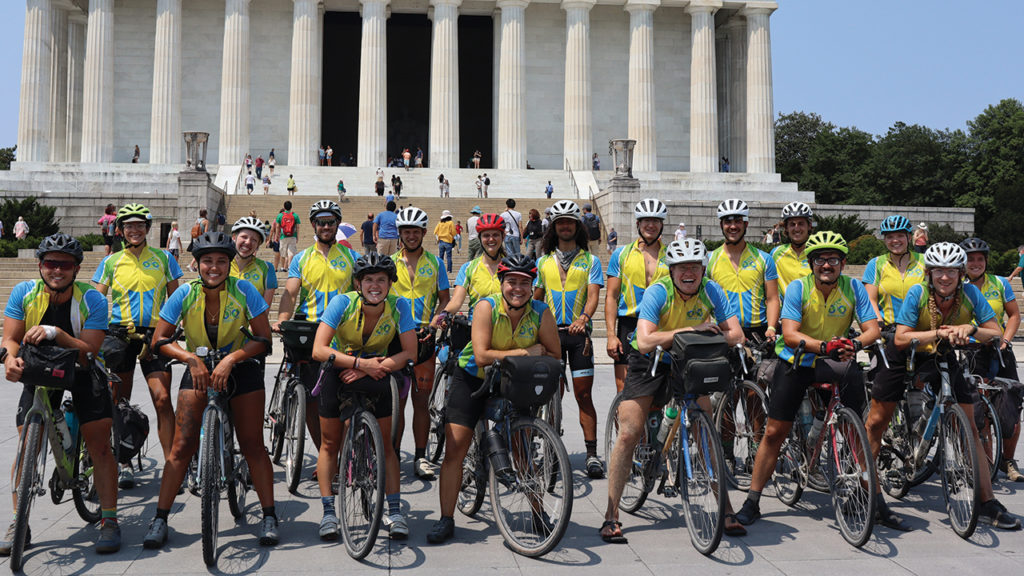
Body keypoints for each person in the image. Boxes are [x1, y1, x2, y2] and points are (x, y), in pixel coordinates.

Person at [864, 242, 1022, 531]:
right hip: (906, 352)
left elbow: (995, 332)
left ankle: (987, 503)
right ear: (929, 273)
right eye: (939, 271)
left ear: (961, 273)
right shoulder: (918, 293)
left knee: (971, 427)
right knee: (876, 421)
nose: (945, 277)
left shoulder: (971, 293)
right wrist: (939, 332)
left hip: (942, 351)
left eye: (951, 271)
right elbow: (900, 338)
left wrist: (971, 329)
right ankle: (865, 488)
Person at [602, 239, 745, 543]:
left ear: (703, 268)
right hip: (651, 360)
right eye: (682, 267)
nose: (688, 272)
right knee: (629, 432)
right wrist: (691, 331)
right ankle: (611, 514)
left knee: (706, 433)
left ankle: (727, 507)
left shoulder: (711, 289)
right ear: (672, 269)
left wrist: (709, 334)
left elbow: (736, 333)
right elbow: (643, 341)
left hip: (689, 360)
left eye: (694, 266)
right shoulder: (659, 290)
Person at [733, 232, 878, 527]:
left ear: (842, 263)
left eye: (833, 259)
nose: (827, 265)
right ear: (811, 263)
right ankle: (753, 500)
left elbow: (872, 328)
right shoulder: (799, 287)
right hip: (798, 362)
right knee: (774, 432)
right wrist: (824, 346)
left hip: (837, 360)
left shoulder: (853, 287)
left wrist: (857, 344)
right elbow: (789, 334)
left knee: (857, 432)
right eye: (821, 259)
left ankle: (872, 496)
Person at [143, 231, 277, 548]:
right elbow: (159, 341)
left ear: (230, 264)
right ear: (197, 264)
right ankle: (159, 518)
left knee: (253, 445)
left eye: (220, 261)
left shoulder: (244, 290)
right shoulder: (185, 293)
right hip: (199, 367)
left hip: (240, 367)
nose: (214, 267)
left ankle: (269, 515)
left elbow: (264, 339)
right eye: (207, 261)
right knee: (181, 446)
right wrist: (190, 358)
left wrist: (232, 358)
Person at [427, 255, 560, 543]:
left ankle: (539, 514)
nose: (518, 288)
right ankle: (446, 518)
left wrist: (531, 356)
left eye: (525, 283)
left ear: (532, 285)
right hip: (474, 377)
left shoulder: (540, 311)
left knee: (523, 448)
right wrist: (526, 353)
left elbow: (554, 354)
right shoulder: (485, 307)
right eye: (511, 281)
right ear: (501, 283)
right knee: (456, 448)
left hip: (513, 381)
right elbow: (481, 355)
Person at [2, 234, 120, 554]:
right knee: (27, 445)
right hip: (39, 371)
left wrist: (57, 334)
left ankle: (109, 520)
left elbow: (91, 351)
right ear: (40, 266)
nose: (57, 270)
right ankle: (19, 522)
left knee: (99, 446)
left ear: (77, 269)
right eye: (50, 263)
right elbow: (11, 338)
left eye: (64, 265)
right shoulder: (24, 293)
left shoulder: (92, 300)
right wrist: (9, 360)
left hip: (83, 370)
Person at [312, 253, 417, 540]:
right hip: (340, 370)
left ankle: (394, 512)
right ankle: (329, 513)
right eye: (368, 279)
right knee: (330, 443)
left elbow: (410, 353)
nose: (375, 285)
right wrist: (359, 364)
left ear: (390, 284)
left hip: (379, 371)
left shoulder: (399, 306)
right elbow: (319, 350)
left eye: (381, 280)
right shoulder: (342, 303)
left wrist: (374, 367)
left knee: (387, 445)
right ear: (358, 283)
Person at [92, 204, 183, 489]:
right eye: (128, 226)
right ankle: (123, 461)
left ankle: (172, 463)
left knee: (162, 398)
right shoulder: (111, 261)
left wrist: (174, 331)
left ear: (148, 228)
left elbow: (177, 297)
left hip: (156, 336)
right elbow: (95, 300)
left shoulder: (164, 258)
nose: (134, 230)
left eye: (140, 225)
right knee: (119, 401)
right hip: (120, 335)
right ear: (120, 230)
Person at [275, 200, 361, 463]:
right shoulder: (301, 258)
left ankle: (344, 452)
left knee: (345, 400)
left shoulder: (352, 257)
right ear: (313, 225)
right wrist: (282, 318)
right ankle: (327, 456)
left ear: (337, 225)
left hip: (343, 334)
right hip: (311, 333)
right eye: (321, 222)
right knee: (313, 402)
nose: (326, 227)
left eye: (331, 222)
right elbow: (290, 292)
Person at [534, 201, 606, 478]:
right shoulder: (543, 261)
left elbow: (593, 296)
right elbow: (537, 298)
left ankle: (591, 455)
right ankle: (549, 448)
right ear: (554, 227)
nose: (565, 226)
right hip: (551, 337)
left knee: (583, 395)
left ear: (578, 226)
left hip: (578, 336)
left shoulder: (591, 261)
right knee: (549, 395)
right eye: (560, 222)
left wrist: (584, 319)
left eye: (570, 222)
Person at [390, 208, 451, 479]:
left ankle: (421, 455)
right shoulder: (388, 262)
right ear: (400, 234)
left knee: (421, 401)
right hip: (395, 339)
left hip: (425, 337)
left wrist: (437, 320)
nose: (411, 236)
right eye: (406, 232)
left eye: (416, 231)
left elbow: (445, 299)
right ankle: (391, 453)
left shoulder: (436, 264)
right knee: (397, 402)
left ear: (425, 233)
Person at [961, 238, 1024, 482]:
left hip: (999, 351)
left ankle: (1008, 461)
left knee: (1010, 407)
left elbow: (1014, 315)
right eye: (970, 259)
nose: (975, 263)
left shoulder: (998, 283)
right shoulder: (958, 285)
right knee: (979, 412)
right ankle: (986, 463)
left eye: (980, 259)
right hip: (972, 352)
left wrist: (1005, 341)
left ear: (986, 261)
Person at [605, 199, 670, 393]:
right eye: (645, 220)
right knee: (624, 389)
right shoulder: (621, 254)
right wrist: (610, 335)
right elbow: (611, 296)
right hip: (629, 323)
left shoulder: (672, 256)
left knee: (662, 387)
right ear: (637, 224)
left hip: (663, 323)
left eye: (656, 221)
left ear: (662, 225)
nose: (651, 225)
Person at [707, 199, 780, 343]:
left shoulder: (764, 258)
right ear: (721, 225)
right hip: (724, 331)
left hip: (759, 331)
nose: (733, 226)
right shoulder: (709, 260)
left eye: (738, 221)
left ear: (746, 224)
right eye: (727, 222)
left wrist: (771, 327)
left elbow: (772, 298)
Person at [439, 214, 507, 322]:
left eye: (495, 235)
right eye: (486, 235)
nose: (491, 239)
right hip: (475, 328)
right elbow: (456, 300)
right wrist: (445, 314)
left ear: (503, 236)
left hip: (505, 329)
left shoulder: (512, 266)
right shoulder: (468, 268)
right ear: (479, 238)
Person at [863, 215, 926, 328]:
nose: (895, 240)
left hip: (920, 331)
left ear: (909, 237)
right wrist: (879, 324)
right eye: (890, 236)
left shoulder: (924, 261)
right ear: (885, 240)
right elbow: (870, 300)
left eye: (900, 235)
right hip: (888, 331)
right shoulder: (876, 264)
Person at [771, 202, 814, 302]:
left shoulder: (817, 254)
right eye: (792, 224)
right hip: (785, 314)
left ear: (809, 226)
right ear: (786, 228)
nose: (796, 228)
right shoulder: (776, 254)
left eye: (801, 223)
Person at [231, 217, 277, 306]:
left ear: (258, 245)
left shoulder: (266, 269)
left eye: (254, 240)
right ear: (234, 237)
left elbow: (265, 310)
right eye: (244, 237)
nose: (248, 242)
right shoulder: (222, 265)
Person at [276, 201, 300, 272]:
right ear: (291, 207)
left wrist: (277, 236)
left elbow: (277, 226)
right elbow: (298, 227)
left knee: (283, 252)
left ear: (284, 207)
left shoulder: (280, 215)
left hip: (283, 236)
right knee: (291, 252)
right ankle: (289, 266)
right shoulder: (295, 215)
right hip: (293, 236)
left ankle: (283, 267)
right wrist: (297, 236)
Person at [433, 209, 457, 274]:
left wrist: (438, 239)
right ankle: (449, 270)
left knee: (441, 256)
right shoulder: (450, 223)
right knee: (449, 257)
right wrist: (455, 239)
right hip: (448, 241)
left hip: (441, 241)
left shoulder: (440, 223)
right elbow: (454, 232)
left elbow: (435, 232)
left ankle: (440, 270)